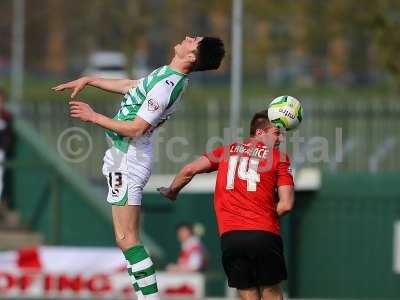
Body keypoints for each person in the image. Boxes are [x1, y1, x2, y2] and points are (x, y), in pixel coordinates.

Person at [53, 36, 225, 300]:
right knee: (124, 238)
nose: (189, 37)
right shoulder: (166, 73)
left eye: (195, 40)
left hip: (129, 158)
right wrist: (90, 80)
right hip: (123, 156)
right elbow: (133, 86)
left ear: (192, 57)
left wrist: (94, 116)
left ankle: (149, 298)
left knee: (127, 237)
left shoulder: (167, 87)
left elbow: (136, 128)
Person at [158, 110, 295, 300]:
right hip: (264, 233)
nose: (280, 138)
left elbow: (190, 169)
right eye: (277, 133)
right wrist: (262, 217)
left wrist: (172, 191)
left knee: (247, 295)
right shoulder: (279, 158)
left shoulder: (226, 151)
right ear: (260, 132)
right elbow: (286, 204)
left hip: (231, 237)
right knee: (272, 294)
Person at [0, 88, 14, 214]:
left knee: (1, 180)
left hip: (2, 153)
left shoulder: (7, 116)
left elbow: (8, 137)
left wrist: (5, 148)